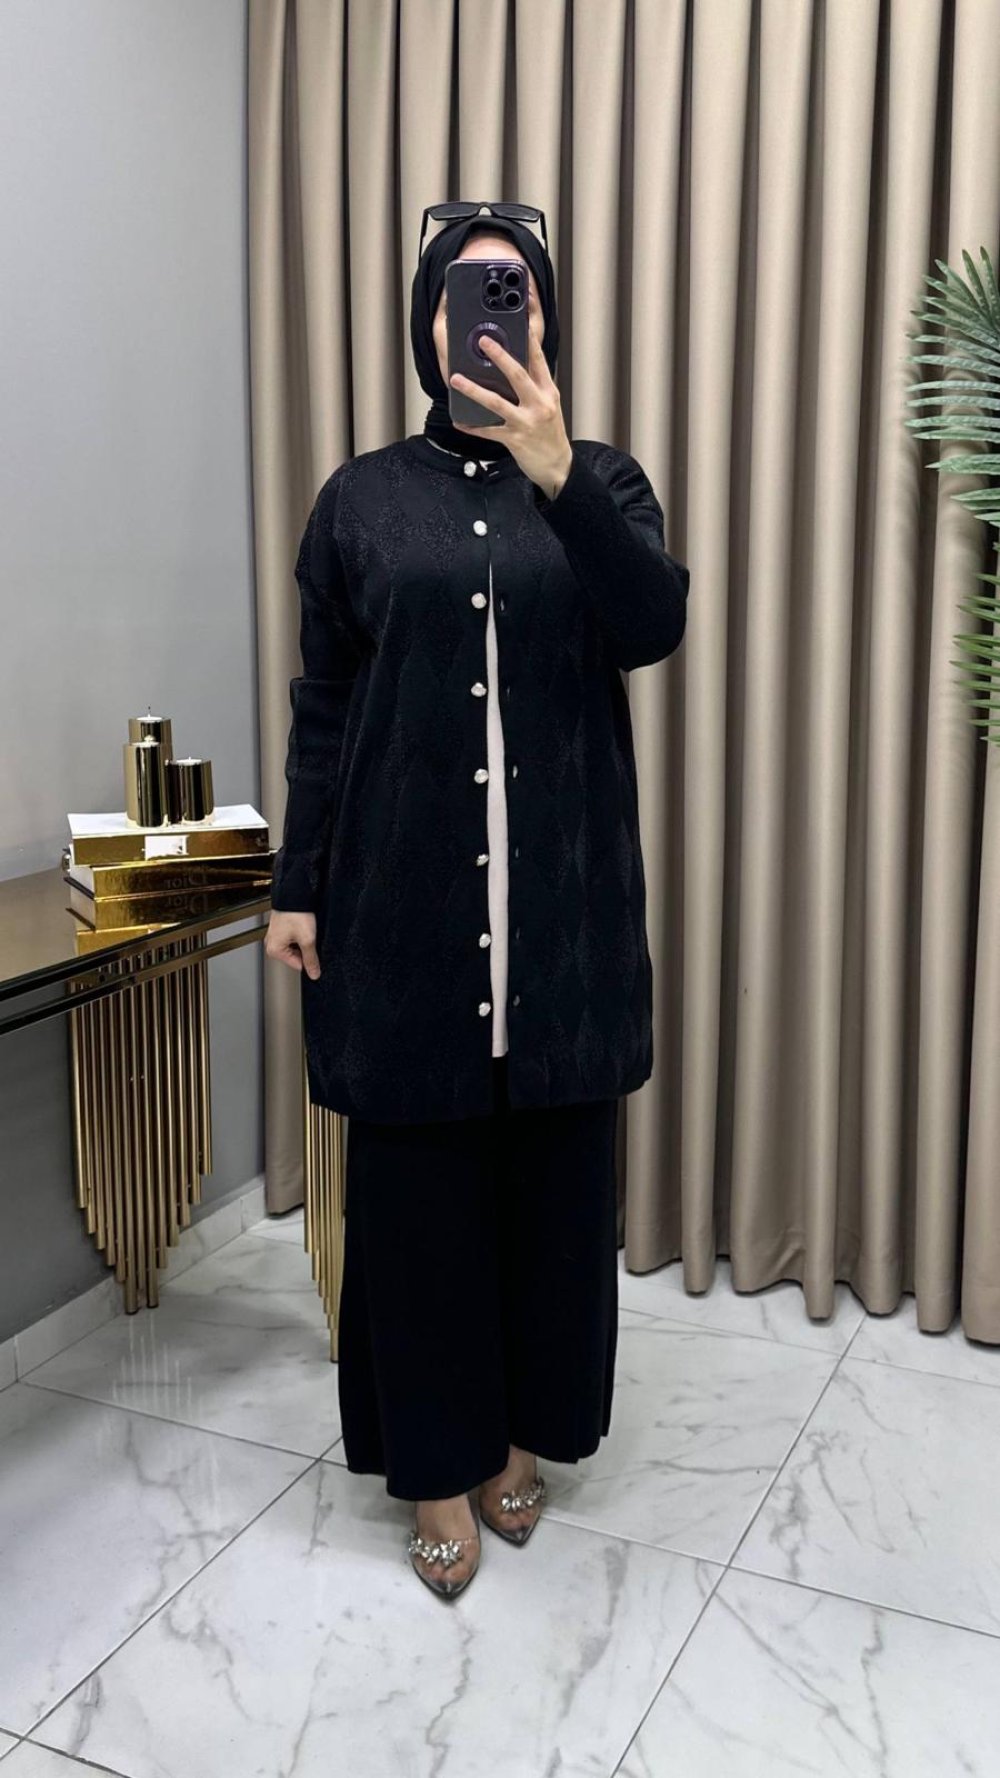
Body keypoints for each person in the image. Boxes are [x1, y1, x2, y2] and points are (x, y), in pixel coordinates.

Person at [266, 204, 690, 1599]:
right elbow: (325, 704)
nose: (494, 313)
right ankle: (436, 1467)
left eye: (517, 291)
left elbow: (652, 625)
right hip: (400, 910)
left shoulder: (604, 481)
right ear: (429, 322)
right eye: (468, 291)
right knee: (421, 1200)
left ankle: (520, 1434)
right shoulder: (360, 499)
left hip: (560, 915)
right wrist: (298, 884)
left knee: (550, 1193)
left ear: (547, 320)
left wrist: (559, 474)